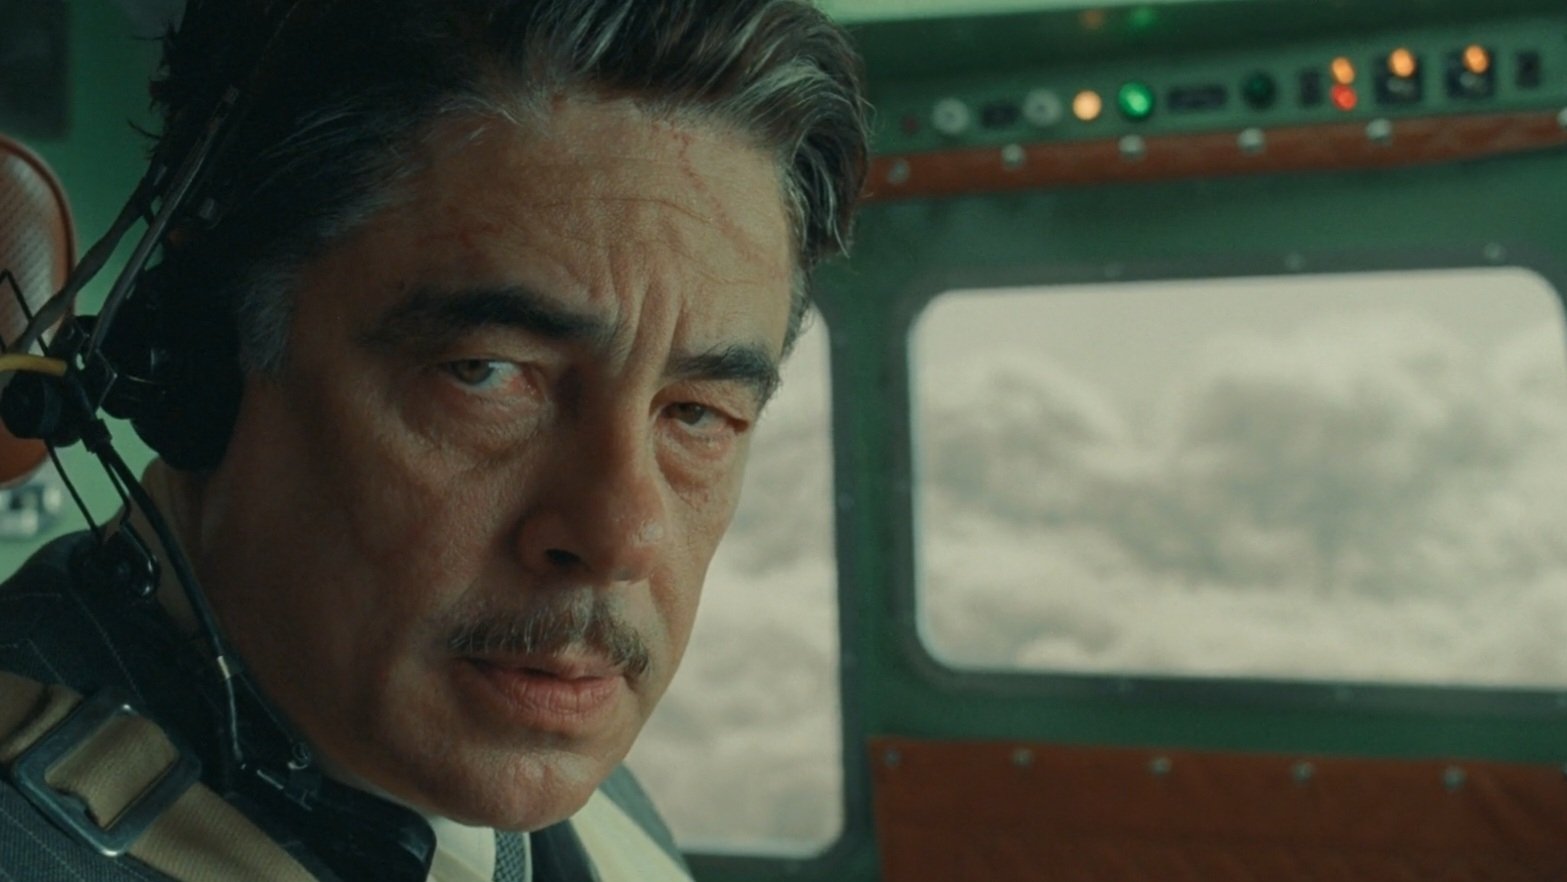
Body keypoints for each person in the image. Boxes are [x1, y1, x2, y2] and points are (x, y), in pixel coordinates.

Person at [0, 0, 869, 879]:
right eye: (488, 373)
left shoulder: (608, 817)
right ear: (205, 365)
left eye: (696, 414)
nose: (621, 539)